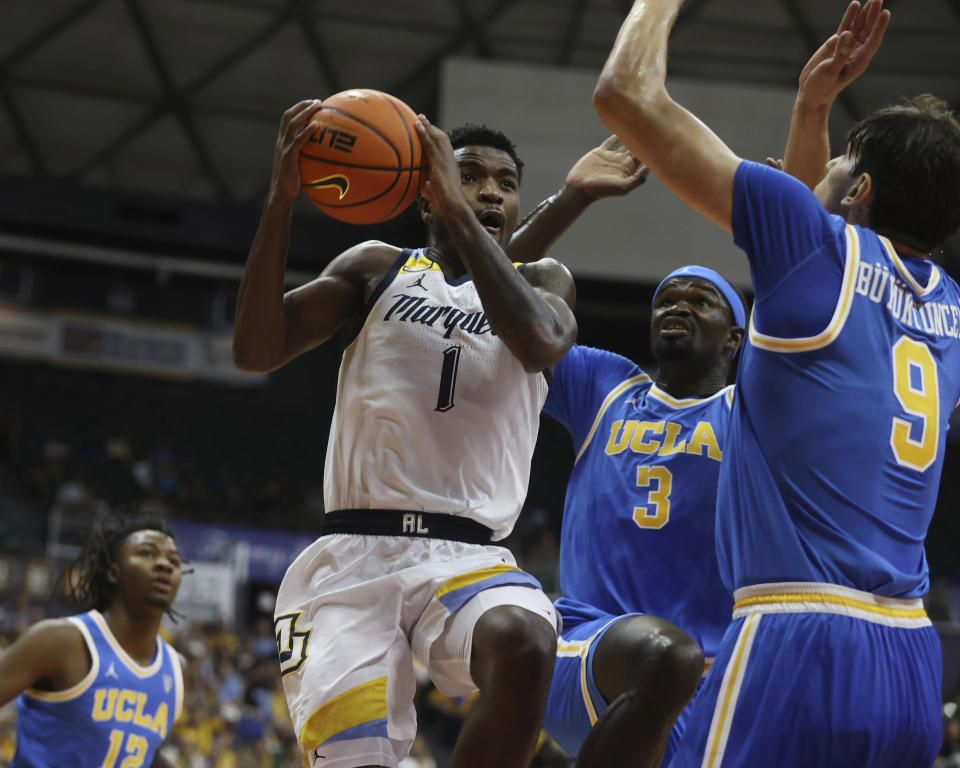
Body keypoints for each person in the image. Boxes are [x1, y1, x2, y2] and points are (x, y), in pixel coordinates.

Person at [593, 0, 960, 765]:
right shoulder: (950, 311)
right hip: (912, 657)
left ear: (857, 192)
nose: (818, 170)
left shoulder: (815, 252)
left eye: (838, 165)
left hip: (798, 634)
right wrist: (813, 107)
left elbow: (625, 96)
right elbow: (808, 254)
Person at [233, 101, 581, 768]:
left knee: (528, 641)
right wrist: (279, 204)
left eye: (505, 183)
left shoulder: (541, 283)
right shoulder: (375, 267)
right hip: (354, 555)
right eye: (469, 175)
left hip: (469, 558)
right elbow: (255, 349)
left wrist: (462, 212)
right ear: (425, 196)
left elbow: (540, 343)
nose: (488, 190)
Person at [540, 266, 745, 768]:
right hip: (593, 647)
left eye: (700, 301)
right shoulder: (605, 384)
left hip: (712, 678)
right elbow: (518, 324)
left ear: (734, 338)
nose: (677, 307)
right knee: (666, 658)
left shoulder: (752, 411)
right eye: (666, 300)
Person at [0, 515, 184, 768]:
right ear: (112, 572)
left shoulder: (176, 670)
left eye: (174, 560)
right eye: (147, 553)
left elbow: (144, 753)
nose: (165, 564)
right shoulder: (61, 641)